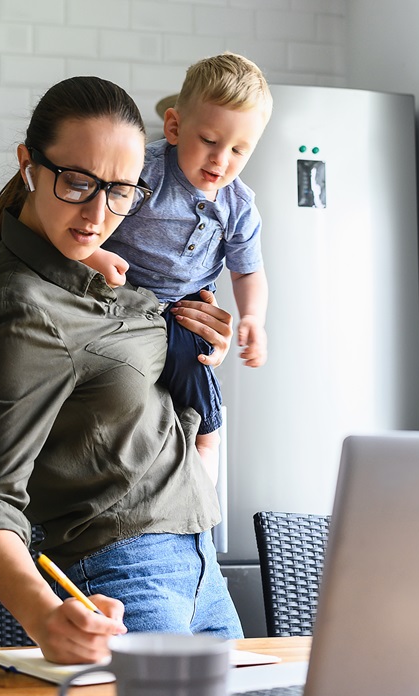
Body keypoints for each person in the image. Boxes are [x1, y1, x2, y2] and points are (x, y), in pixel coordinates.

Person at [0, 75, 245, 665]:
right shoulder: (24, 307)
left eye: (121, 191)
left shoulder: (106, 270)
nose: (97, 213)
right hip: (124, 576)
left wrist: (197, 341)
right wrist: (42, 616)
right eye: (78, 182)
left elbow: (131, 392)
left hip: (202, 567)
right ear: (29, 165)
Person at [83, 53, 272, 481]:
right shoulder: (143, 171)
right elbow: (89, 227)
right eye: (209, 140)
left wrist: (253, 320)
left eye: (239, 150)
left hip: (185, 307)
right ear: (174, 126)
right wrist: (97, 257)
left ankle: (206, 454)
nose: (221, 160)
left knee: (197, 370)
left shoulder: (239, 205)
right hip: (119, 293)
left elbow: (247, 271)